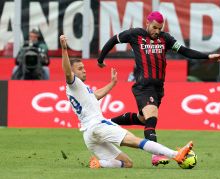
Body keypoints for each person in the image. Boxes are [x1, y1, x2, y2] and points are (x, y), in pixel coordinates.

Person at [97, 11, 220, 166]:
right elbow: (113, 41)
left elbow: (184, 51)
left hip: (158, 88)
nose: (157, 31)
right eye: (154, 27)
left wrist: (207, 57)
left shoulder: (166, 38)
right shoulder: (134, 34)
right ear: (147, 23)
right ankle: (155, 155)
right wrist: (101, 59)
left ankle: (106, 122)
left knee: (142, 119)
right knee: (152, 117)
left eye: (159, 28)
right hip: (143, 85)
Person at [60, 34, 193, 169]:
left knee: (127, 164)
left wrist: (112, 83)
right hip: (97, 126)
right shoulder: (73, 83)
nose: (84, 71)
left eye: (83, 67)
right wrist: (64, 50)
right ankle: (176, 154)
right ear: (72, 72)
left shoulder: (79, 89)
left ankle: (99, 164)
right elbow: (67, 72)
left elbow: (95, 95)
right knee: (137, 141)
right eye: (80, 69)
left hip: (89, 134)